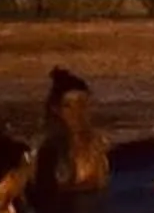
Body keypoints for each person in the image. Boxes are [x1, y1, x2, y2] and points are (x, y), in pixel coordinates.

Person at [33, 68, 110, 197]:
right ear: (56, 110)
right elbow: (48, 198)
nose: (78, 112)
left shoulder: (97, 144)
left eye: (83, 104)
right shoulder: (51, 152)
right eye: (69, 106)